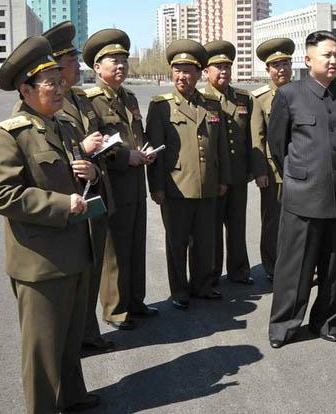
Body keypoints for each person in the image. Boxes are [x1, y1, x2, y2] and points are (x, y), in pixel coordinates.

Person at [0, 36, 100, 413]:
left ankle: (73, 396)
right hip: (40, 261)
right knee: (43, 349)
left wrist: (92, 172)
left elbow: (75, 177)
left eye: (59, 80)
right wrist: (62, 203)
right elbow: (2, 195)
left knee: (67, 340)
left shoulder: (62, 127)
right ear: (26, 89)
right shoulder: (8, 134)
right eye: (50, 82)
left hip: (75, 252)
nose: (60, 87)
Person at [267, 30, 336, 347]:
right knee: (294, 267)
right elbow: (277, 144)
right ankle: (284, 326)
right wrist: (298, 177)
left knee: (335, 266)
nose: (334, 59)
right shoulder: (289, 94)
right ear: (308, 59)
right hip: (303, 195)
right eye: (327, 54)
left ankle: (327, 321)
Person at [40, 21, 116, 353]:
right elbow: (56, 151)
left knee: (93, 267)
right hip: (71, 197)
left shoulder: (82, 97)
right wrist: (82, 148)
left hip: (94, 190)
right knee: (78, 272)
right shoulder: (50, 104)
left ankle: (88, 332)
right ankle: (79, 336)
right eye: (72, 61)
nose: (77, 66)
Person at [146, 40, 231, 310]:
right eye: (177, 70)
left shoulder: (211, 104)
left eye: (188, 71)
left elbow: (221, 148)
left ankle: (202, 285)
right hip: (176, 187)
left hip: (207, 185)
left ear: (198, 74)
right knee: (177, 242)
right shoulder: (161, 106)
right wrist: (156, 187)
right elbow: (156, 151)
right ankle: (179, 291)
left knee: (205, 240)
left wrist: (223, 179)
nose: (182, 76)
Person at [83, 29, 157, 330]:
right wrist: (127, 157)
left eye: (124, 60)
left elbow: (133, 135)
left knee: (136, 245)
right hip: (112, 184)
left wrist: (144, 151)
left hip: (136, 183)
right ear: (97, 67)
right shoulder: (90, 100)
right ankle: (115, 309)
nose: (121, 66)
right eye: (113, 60)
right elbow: (97, 143)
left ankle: (135, 301)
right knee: (115, 250)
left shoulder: (128, 97)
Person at [201, 40, 254, 286]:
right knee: (210, 229)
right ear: (206, 71)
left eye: (227, 67)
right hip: (211, 175)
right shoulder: (201, 99)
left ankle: (239, 270)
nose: (223, 72)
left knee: (237, 225)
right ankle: (211, 274)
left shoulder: (243, 98)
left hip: (238, 174)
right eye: (217, 67)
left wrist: (254, 169)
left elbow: (252, 137)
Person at [250, 37, 295, 282]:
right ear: (267, 70)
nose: (282, 69)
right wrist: (260, 171)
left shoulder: (304, 91)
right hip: (273, 170)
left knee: (299, 220)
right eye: (275, 65)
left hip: (302, 168)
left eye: (285, 63)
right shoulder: (260, 98)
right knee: (273, 222)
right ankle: (272, 266)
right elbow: (257, 137)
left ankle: (296, 263)